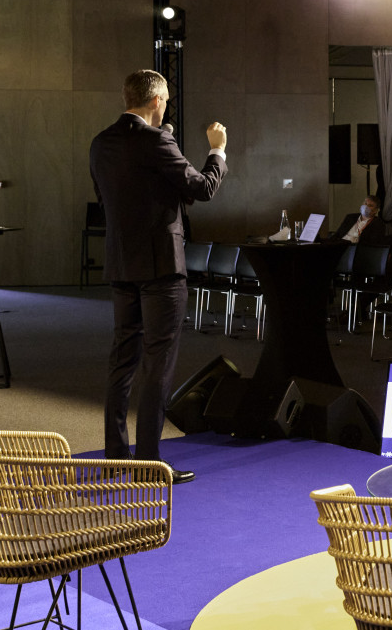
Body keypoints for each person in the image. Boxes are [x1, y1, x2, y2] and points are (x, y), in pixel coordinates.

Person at [90, 69, 228, 485]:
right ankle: (149, 463)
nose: (166, 104)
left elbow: (115, 198)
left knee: (122, 361)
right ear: (155, 101)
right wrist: (217, 151)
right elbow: (203, 188)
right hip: (161, 269)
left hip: (121, 263)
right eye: (165, 98)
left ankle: (116, 455)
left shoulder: (101, 143)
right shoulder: (156, 140)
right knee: (158, 364)